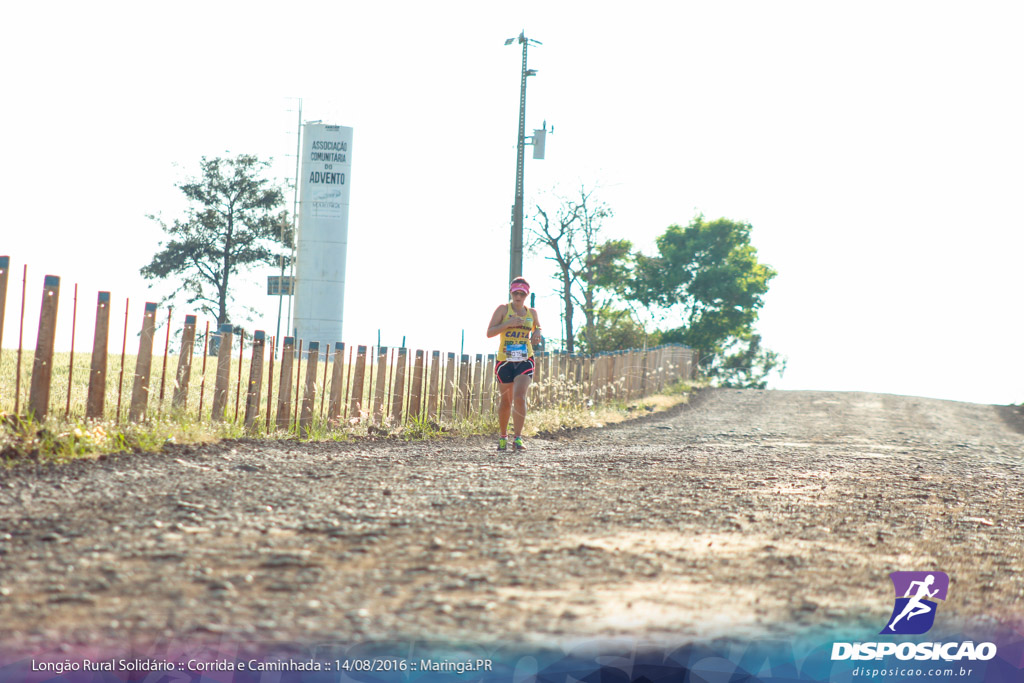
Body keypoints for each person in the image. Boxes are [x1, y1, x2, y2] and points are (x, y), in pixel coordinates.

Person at [486, 277, 542, 451]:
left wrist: (537, 333)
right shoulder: (503, 310)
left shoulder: (531, 312)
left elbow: (538, 327)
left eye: (522, 293)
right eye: (515, 293)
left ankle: (518, 438)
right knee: (506, 400)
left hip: (525, 359)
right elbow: (489, 332)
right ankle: (503, 436)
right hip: (505, 360)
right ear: (511, 292)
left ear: (526, 294)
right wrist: (508, 324)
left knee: (519, 396)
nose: (518, 296)